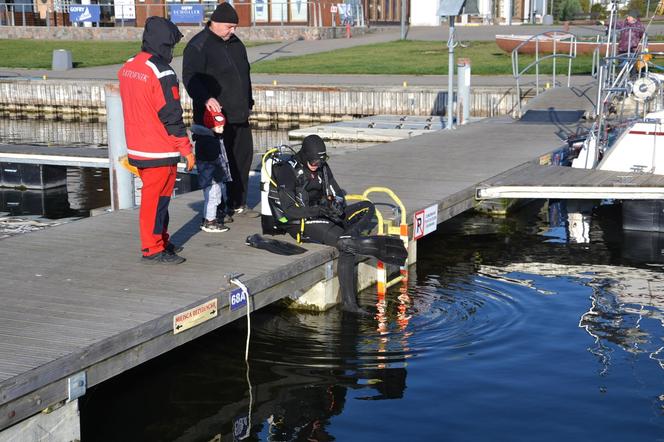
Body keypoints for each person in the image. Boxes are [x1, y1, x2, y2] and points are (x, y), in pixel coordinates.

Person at [267, 135, 408, 314]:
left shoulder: (323, 167)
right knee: (346, 246)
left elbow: (337, 192)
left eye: (320, 161)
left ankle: (350, 237)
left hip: (325, 213)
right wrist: (319, 210)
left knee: (367, 207)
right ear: (304, 156)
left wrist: (336, 205)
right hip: (303, 221)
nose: (317, 164)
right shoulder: (288, 171)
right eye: (313, 161)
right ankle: (350, 304)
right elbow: (289, 211)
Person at [118, 16, 195, 265]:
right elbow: (171, 114)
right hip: (158, 149)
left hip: (137, 146)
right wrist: (186, 149)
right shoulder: (162, 72)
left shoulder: (128, 66)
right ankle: (152, 248)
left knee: (156, 200)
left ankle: (160, 240)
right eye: (171, 46)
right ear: (165, 44)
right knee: (156, 201)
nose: (172, 51)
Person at [182, 2, 256, 218]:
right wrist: (206, 98)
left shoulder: (236, 43)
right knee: (220, 164)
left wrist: (248, 102)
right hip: (215, 118)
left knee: (242, 158)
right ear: (214, 23)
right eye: (229, 27)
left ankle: (237, 202)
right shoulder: (198, 45)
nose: (232, 31)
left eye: (235, 27)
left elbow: (245, 74)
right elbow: (190, 78)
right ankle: (219, 207)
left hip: (240, 113)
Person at [190, 108, 232, 233]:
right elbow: (215, 159)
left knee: (211, 198)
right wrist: (221, 173)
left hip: (211, 174)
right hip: (212, 175)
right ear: (210, 126)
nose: (222, 130)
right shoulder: (209, 140)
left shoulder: (209, 138)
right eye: (219, 127)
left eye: (222, 127)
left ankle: (206, 219)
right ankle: (210, 221)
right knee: (213, 198)